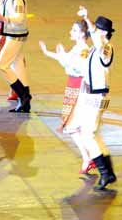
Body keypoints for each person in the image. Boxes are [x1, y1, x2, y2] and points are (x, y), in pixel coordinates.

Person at [39, 20, 96, 174]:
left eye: (74, 30)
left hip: (78, 87)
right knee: (72, 126)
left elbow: (75, 65)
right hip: (73, 86)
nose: (71, 32)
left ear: (82, 34)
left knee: (71, 126)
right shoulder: (77, 48)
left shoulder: (84, 50)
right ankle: (89, 157)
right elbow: (66, 62)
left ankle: (89, 157)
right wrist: (49, 53)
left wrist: (62, 56)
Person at [71, 5, 116, 190]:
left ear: (103, 32)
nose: (93, 31)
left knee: (88, 134)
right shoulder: (96, 48)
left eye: (97, 28)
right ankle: (109, 172)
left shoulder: (106, 47)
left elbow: (98, 43)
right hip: (90, 94)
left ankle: (105, 173)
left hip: (97, 96)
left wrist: (88, 20)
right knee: (93, 134)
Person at [0, 0, 32, 113]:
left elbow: (20, 18)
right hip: (13, 34)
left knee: (1, 65)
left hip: (16, 36)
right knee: (19, 67)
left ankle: (23, 96)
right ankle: (25, 100)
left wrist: (3, 18)